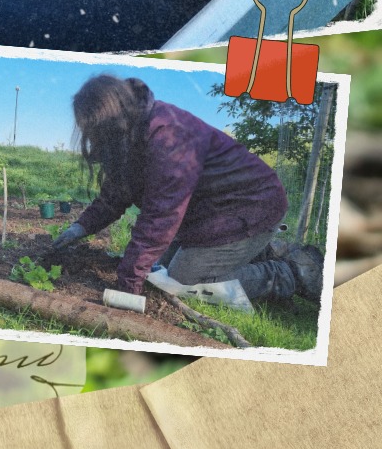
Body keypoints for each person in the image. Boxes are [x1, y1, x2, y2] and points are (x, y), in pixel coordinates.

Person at [49, 74, 324, 307]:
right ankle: (269, 250)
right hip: (213, 214)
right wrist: (80, 227)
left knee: (186, 279)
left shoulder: (168, 138)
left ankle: (289, 272)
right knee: (163, 267)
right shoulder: (129, 134)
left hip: (251, 206)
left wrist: (127, 288)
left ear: (110, 117)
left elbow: (160, 217)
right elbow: (115, 195)